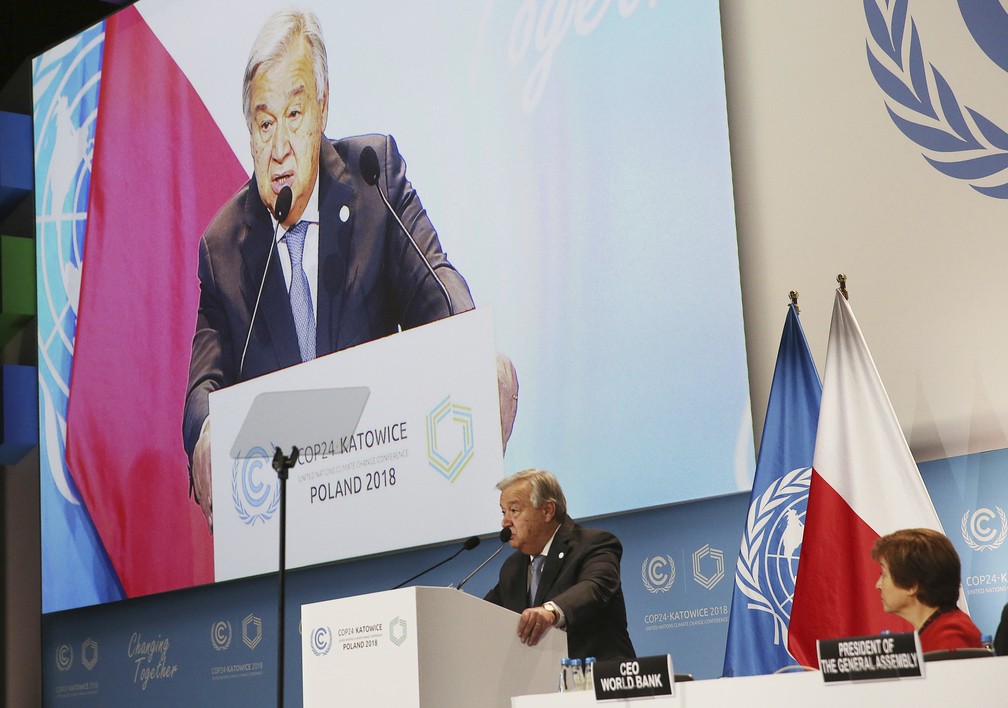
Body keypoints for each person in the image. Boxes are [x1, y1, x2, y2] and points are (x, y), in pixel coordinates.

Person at [183, 9, 476, 533]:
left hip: (386, 494)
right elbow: (203, 391)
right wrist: (209, 432)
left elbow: (439, 293)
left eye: (294, 115)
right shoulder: (224, 245)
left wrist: (474, 350)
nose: (278, 150)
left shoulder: (372, 178)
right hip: (289, 531)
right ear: (248, 130)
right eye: (264, 122)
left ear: (321, 107)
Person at [484, 469, 635, 661]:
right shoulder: (513, 567)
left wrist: (550, 612)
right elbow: (487, 612)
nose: (505, 522)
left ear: (547, 511)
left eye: (514, 511)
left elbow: (594, 588)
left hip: (600, 681)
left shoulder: (594, 544)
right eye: (503, 512)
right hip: (540, 685)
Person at [871, 528, 983, 652]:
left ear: (911, 585)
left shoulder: (949, 637)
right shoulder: (938, 629)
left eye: (884, 574)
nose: (878, 585)